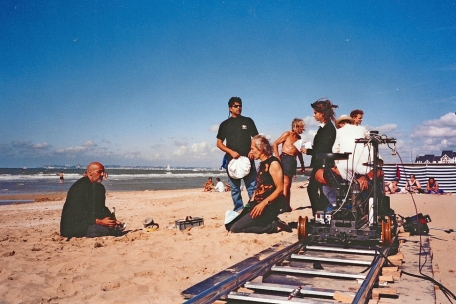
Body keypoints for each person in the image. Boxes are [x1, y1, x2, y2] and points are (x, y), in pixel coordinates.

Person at [229, 135, 292, 234]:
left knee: (235, 229)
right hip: (258, 203)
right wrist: (248, 205)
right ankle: (267, 221)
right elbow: (260, 186)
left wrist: (263, 204)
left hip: (268, 206)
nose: (251, 151)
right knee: (230, 224)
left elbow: (280, 189)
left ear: (261, 149)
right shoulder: (262, 163)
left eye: (252, 148)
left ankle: (274, 226)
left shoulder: (273, 164)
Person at [216, 97, 259, 212]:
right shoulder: (225, 124)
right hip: (232, 160)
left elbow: (256, 138)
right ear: (230, 108)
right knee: (235, 189)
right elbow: (219, 143)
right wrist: (231, 152)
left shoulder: (248, 121)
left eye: (240, 105)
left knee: (252, 187)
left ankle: (254, 208)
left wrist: (252, 150)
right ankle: (239, 209)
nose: (239, 108)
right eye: (236, 106)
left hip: (248, 159)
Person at [60, 162, 123, 238]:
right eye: (99, 172)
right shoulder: (79, 187)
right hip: (73, 225)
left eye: (103, 172)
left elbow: (101, 208)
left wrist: (111, 220)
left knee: (113, 227)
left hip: (90, 222)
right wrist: (101, 222)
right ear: (90, 172)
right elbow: (77, 213)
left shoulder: (100, 188)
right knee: (105, 230)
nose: (103, 174)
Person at [300, 99, 338, 216]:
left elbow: (324, 148)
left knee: (315, 189)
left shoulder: (328, 128)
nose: (313, 115)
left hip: (323, 164)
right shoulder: (324, 127)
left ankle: (319, 213)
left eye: (315, 113)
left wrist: (308, 151)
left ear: (322, 113)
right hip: (320, 163)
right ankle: (320, 213)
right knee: (319, 190)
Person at [273, 118, 306, 212]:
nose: (302, 130)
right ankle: (284, 206)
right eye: (301, 127)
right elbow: (275, 143)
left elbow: (299, 153)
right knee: (286, 184)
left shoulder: (299, 138)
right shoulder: (287, 134)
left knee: (288, 185)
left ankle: (287, 205)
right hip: (285, 158)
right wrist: (278, 157)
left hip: (292, 161)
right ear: (296, 126)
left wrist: (302, 165)